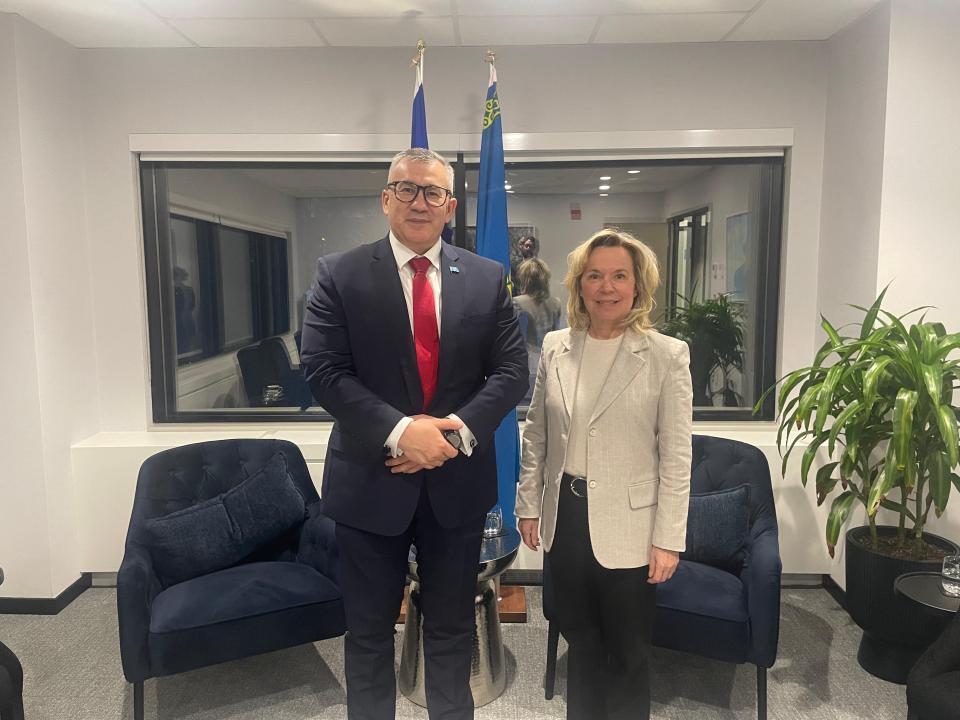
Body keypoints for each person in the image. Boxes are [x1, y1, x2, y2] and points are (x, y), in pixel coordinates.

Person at [299, 147, 528, 720]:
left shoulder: (486, 278)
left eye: (433, 192)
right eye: (406, 188)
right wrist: (403, 432)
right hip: (369, 481)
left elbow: (511, 372)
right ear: (386, 199)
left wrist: (449, 437)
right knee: (368, 634)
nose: (419, 202)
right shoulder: (339, 274)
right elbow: (324, 371)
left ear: (450, 206)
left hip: (457, 483)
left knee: (452, 631)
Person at [515, 229, 692, 720]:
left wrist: (668, 539)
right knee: (582, 644)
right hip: (566, 519)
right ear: (579, 284)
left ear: (638, 286)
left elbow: (677, 457)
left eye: (619, 276)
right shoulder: (556, 346)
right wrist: (528, 504)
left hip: (632, 526)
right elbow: (536, 434)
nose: (606, 287)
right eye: (594, 275)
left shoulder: (666, 355)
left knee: (628, 653)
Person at [513, 257, 562, 401]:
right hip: (550, 362)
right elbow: (556, 337)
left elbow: (518, 341)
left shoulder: (517, 303)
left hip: (527, 364)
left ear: (525, 278)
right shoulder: (555, 303)